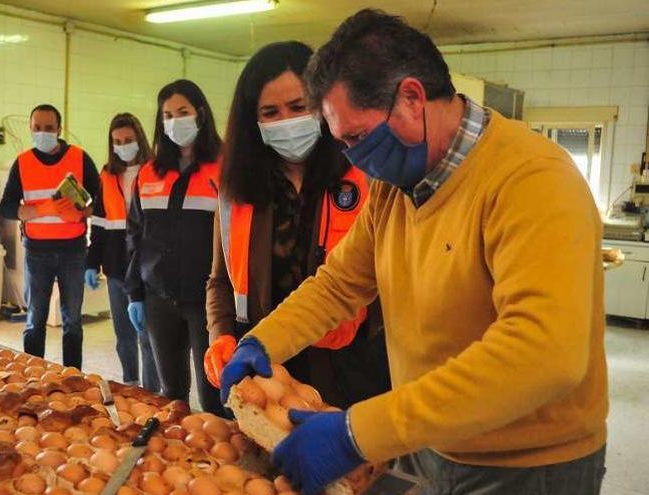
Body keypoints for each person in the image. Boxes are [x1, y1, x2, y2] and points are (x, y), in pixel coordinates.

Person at [220, 9, 608, 495]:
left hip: (526, 464)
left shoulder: (531, 180)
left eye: (357, 137)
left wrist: (361, 431)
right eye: (340, 142)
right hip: (436, 440)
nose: (351, 157)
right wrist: (263, 341)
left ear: (411, 98)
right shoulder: (396, 187)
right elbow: (340, 284)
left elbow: (546, 354)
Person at [204, 41, 389, 408]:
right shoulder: (237, 190)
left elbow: (397, 275)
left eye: (298, 107)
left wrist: (368, 319)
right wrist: (221, 334)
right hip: (266, 364)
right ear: (252, 120)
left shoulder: (368, 177)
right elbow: (220, 280)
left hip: (352, 365)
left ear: (322, 104)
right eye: (270, 112)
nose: (286, 121)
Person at [125, 80, 225, 416]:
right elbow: (136, 235)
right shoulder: (150, 172)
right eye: (167, 114)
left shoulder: (226, 166)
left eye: (182, 112)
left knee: (215, 396)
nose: (174, 121)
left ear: (201, 114)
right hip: (158, 298)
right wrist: (134, 292)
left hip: (207, 300)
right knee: (172, 395)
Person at [0, 104, 100, 368]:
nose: (43, 132)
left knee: (72, 322)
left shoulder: (79, 158)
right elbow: (7, 207)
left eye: (49, 128)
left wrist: (81, 213)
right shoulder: (22, 163)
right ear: (30, 129)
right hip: (36, 252)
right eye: (37, 128)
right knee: (35, 320)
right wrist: (39, 209)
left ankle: (73, 377)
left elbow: (100, 201)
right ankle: (34, 374)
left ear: (59, 129)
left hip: (73, 251)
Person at [86, 113, 160, 392]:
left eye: (128, 140)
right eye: (117, 141)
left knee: (147, 336)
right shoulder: (107, 175)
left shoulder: (155, 172)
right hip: (116, 265)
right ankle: (130, 383)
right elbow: (101, 224)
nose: (123, 145)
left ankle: (152, 393)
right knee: (124, 334)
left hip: (147, 267)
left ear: (139, 139)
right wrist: (91, 263)